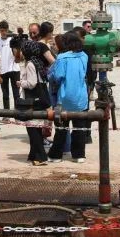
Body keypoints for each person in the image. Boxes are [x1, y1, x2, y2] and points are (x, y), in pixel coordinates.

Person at [47, 32, 89, 163]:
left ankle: (56, 155)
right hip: (81, 97)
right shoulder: (84, 56)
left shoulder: (62, 58)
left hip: (64, 98)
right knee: (79, 128)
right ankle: (79, 155)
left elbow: (58, 76)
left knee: (61, 129)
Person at [17, 37, 49, 165]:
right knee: (35, 128)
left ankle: (40, 156)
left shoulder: (30, 64)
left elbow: (32, 83)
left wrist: (21, 83)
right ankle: (33, 154)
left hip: (33, 101)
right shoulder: (38, 62)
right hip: (40, 99)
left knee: (32, 129)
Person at [0, 21, 20, 119]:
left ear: (7, 29)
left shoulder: (13, 40)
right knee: (5, 94)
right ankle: (6, 115)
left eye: (5, 30)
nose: (3, 33)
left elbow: (16, 54)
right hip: (3, 71)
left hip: (14, 69)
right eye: (1, 31)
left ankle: (17, 113)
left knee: (16, 93)